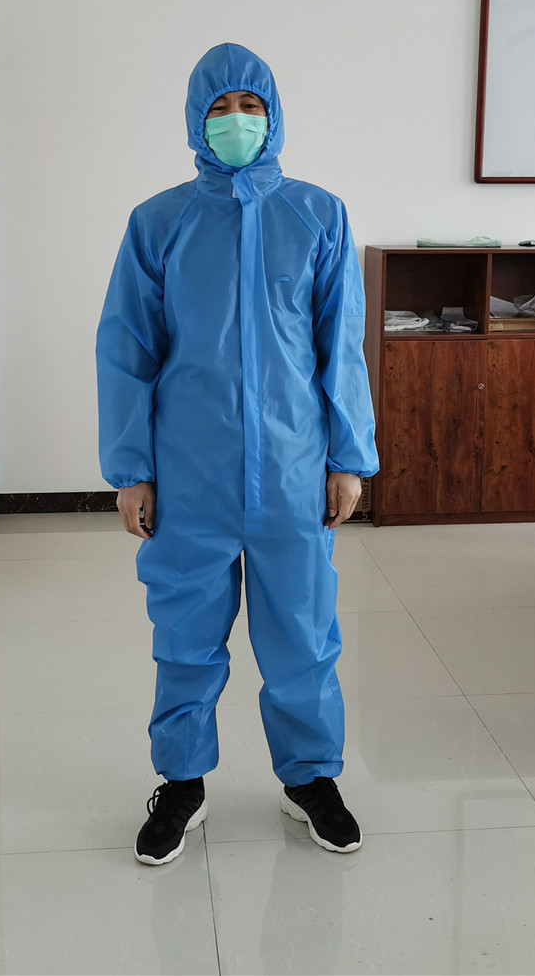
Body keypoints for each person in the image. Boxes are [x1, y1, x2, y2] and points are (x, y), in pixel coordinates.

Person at [96, 43, 378, 866]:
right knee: (185, 637)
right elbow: (127, 350)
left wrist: (348, 457)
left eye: (249, 106)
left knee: (303, 633)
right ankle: (182, 783)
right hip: (191, 471)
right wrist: (132, 470)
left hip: (293, 468)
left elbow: (341, 347)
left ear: (274, 114)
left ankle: (311, 779)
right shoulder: (158, 222)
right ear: (196, 119)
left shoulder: (319, 216)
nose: (235, 122)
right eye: (219, 109)